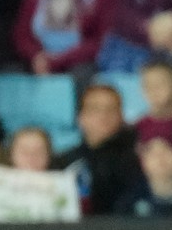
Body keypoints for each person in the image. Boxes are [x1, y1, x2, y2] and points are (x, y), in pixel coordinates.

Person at [57, 83, 140, 216]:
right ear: (80, 117)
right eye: (95, 109)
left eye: (111, 109)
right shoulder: (63, 161)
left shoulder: (136, 161)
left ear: (121, 117)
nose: (103, 115)